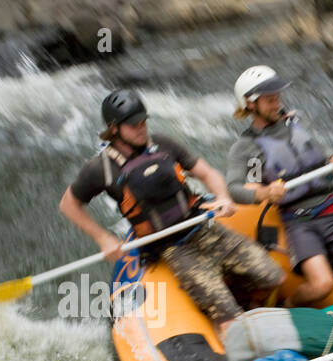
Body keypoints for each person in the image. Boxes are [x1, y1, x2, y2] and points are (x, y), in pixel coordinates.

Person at [59, 89, 284, 336]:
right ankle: (227, 333)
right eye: (134, 125)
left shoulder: (163, 144)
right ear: (114, 129)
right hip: (171, 247)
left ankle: (248, 305)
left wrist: (221, 196)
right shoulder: (100, 168)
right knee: (229, 320)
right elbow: (69, 204)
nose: (142, 128)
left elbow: (207, 173)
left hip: (201, 227)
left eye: (144, 121)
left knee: (274, 277)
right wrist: (102, 237)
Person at [227, 65, 333, 304]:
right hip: (299, 222)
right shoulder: (246, 146)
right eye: (269, 100)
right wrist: (265, 192)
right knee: (322, 285)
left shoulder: (296, 122)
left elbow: (319, 158)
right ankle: (289, 309)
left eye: (277, 97)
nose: (276, 103)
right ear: (250, 104)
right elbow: (234, 189)